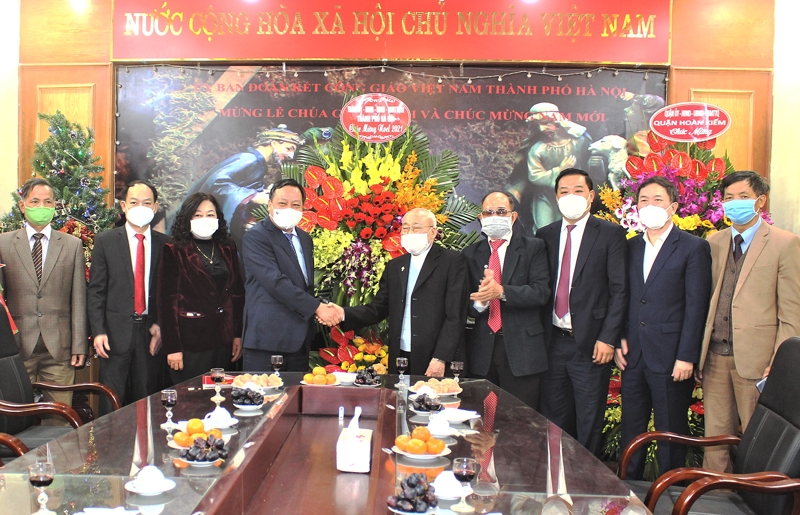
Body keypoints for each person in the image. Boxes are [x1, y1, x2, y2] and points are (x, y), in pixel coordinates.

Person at [698, 171, 800, 473]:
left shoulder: (784, 243)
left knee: (761, 442)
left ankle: (761, 494)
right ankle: (715, 493)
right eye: (728, 198)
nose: (734, 203)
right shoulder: (714, 242)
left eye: (743, 197)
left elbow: (791, 312)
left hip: (758, 362)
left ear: (760, 201)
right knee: (715, 440)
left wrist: (779, 362)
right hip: (715, 357)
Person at [616, 176, 712, 479]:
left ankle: (670, 492)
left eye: (657, 199)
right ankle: (627, 490)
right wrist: (619, 338)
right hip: (634, 355)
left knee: (670, 430)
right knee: (631, 429)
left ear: (673, 206)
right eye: (643, 200)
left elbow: (696, 306)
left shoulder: (693, 247)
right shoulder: (630, 246)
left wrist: (687, 356)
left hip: (672, 358)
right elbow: (623, 297)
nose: (650, 205)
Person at [535, 169, 628, 456]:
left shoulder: (610, 233)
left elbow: (619, 290)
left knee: (588, 421)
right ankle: (555, 476)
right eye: (564, 191)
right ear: (556, 197)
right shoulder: (545, 235)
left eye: (578, 190)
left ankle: (588, 479)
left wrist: (608, 338)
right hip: (552, 343)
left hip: (591, 344)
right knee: (553, 419)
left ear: (591, 196)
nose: (570, 196)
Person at [329, 208, 469, 377]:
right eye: (406, 228)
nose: (409, 233)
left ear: (433, 232)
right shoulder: (395, 266)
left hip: (434, 356)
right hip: (400, 355)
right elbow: (378, 308)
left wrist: (440, 358)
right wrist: (342, 313)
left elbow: (456, 315)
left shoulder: (452, 261)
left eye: (416, 228)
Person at [0, 178, 87, 422]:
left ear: (55, 206)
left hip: (59, 348)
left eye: (48, 202)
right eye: (35, 201)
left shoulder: (72, 245)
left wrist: (79, 344)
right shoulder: (3, 243)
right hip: (17, 348)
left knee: (60, 420)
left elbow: (78, 298)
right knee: (16, 419)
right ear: (22, 206)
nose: (42, 207)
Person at [462, 191, 551, 409]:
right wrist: (481, 302)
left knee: (520, 420)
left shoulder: (533, 248)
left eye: (501, 212)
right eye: (488, 212)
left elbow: (541, 292)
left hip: (522, 350)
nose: (494, 216)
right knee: (482, 419)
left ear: (513, 216)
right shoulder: (470, 254)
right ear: (481, 218)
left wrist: (501, 292)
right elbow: (465, 305)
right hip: (482, 351)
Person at [88, 180, 169, 415]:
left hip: (150, 335)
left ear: (155, 207)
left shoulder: (167, 245)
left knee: (147, 402)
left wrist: (161, 324)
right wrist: (98, 331)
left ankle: (145, 440)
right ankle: (110, 441)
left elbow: (170, 293)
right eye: (134, 202)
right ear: (123, 206)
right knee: (111, 403)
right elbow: (96, 290)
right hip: (114, 335)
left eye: (147, 203)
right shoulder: (105, 241)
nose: (140, 207)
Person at [240, 178, 338, 372]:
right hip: (268, 341)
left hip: (299, 341)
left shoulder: (305, 238)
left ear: (303, 208)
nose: (289, 209)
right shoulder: (256, 236)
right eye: (282, 204)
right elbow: (275, 282)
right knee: (265, 392)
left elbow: (303, 285)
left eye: (296, 205)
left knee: (296, 392)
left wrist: (321, 307)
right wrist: (317, 308)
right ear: (270, 205)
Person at [157, 193, 245, 384]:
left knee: (221, 394)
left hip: (224, 339)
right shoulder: (173, 249)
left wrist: (237, 335)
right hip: (190, 342)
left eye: (210, 214)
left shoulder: (227, 246)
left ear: (218, 217)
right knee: (192, 397)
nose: (205, 219)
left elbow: (237, 294)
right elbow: (167, 302)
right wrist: (173, 348)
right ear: (188, 218)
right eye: (198, 215)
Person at [186, 124, 304, 241]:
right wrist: (254, 196)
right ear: (274, 143)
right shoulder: (249, 159)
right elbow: (217, 182)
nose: (291, 155)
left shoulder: (259, 164)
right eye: (288, 149)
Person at [507, 103, 592, 233]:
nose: (542, 129)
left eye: (546, 123)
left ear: (557, 121)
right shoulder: (537, 149)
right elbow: (535, 176)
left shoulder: (578, 142)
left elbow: (589, 164)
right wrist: (560, 169)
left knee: (570, 229)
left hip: (571, 195)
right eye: (538, 125)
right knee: (543, 230)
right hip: (545, 196)